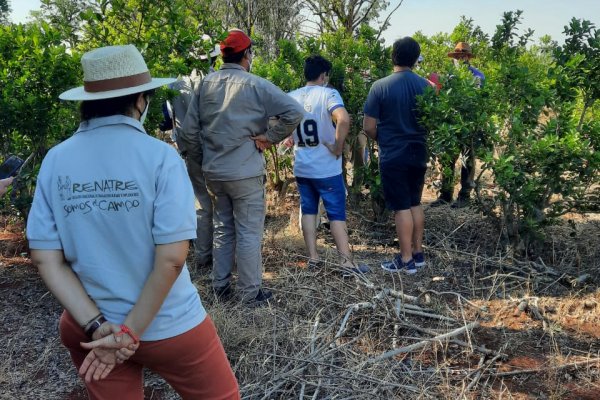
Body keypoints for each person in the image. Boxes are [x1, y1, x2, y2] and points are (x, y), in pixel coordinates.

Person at [26, 44, 239, 399]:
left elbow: (45, 258)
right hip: (170, 326)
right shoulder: (160, 158)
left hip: (88, 328)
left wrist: (97, 327)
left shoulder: (56, 160)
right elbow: (171, 258)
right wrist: (128, 334)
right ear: (141, 99)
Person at [182, 29, 304, 307]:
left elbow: (188, 133)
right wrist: (269, 138)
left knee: (223, 226)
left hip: (214, 173)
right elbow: (295, 112)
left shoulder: (204, 85)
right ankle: (250, 294)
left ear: (223, 54)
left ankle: (220, 286)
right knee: (248, 232)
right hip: (245, 172)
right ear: (247, 54)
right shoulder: (256, 85)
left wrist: (204, 160)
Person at [288, 55, 369, 276]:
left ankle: (313, 258)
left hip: (302, 166)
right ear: (323, 75)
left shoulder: (291, 97)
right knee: (336, 214)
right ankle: (346, 264)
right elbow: (343, 119)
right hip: (326, 168)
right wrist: (336, 146)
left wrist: (288, 137)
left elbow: (276, 121)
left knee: (308, 210)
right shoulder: (328, 94)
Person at [363, 37, 431, 274]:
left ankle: (405, 260)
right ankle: (418, 253)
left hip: (394, 154)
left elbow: (368, 126)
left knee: (401, 206)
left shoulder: (380, 86)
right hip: (419, 151)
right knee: (414, 202)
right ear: (415, 58)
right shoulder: (426, 86)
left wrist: (383, 138)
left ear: (393, 56)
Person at [168, 37, 221, 270]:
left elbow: (172, 119)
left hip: (189, 150)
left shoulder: (175, 83)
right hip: (213, 149)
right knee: (220, 205)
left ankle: (202, 257)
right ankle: (219, 257)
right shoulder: (214, 81)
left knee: (201, 204)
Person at [431, 41, 485, 209]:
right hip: (450, 125)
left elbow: (479, 100)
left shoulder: (477, 76)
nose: (460, 58)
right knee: (448, 160)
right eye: (458, 55)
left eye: (463, 55)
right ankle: (446, 195)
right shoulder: (448, 76)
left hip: (469, 124)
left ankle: (464, 195)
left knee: (467, 160)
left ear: (468, 57)